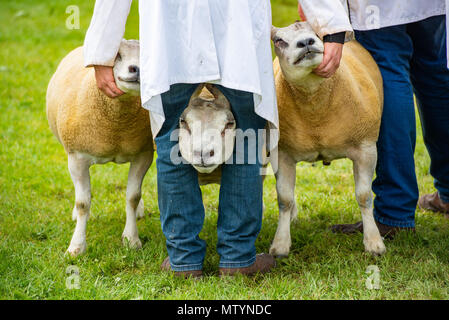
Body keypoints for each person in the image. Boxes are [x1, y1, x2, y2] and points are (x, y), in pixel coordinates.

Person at [84, 0, 352, 277]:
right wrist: (330, 27)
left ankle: (184, 259)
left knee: (173, 142)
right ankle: (237, 257)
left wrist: (103, 52)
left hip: (173, 36)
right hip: (236, 34)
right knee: (245, 139)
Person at [300, 0, 449, 237]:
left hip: (378, 8)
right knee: (436, 77)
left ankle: (395, 211)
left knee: (387, 76)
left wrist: (324, 18)